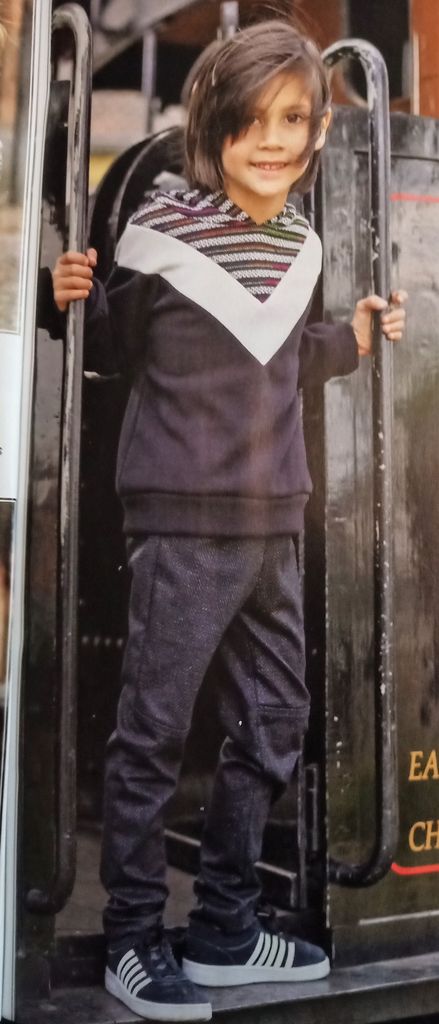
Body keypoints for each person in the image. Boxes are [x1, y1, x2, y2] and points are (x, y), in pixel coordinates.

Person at [51, 20, 407, 1024]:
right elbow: (109, 352)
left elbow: (283, 362)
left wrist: (354, 339)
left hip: (274, 518)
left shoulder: (300, 244)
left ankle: (221, 930)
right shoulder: (160, 232)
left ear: (317, 130)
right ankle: (132, 936)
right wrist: (62, 297)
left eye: (292, 120)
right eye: (250, 121)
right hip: (180, 520)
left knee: (274, 722)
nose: (272, 140)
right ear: (211, 126)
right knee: (153, 733)